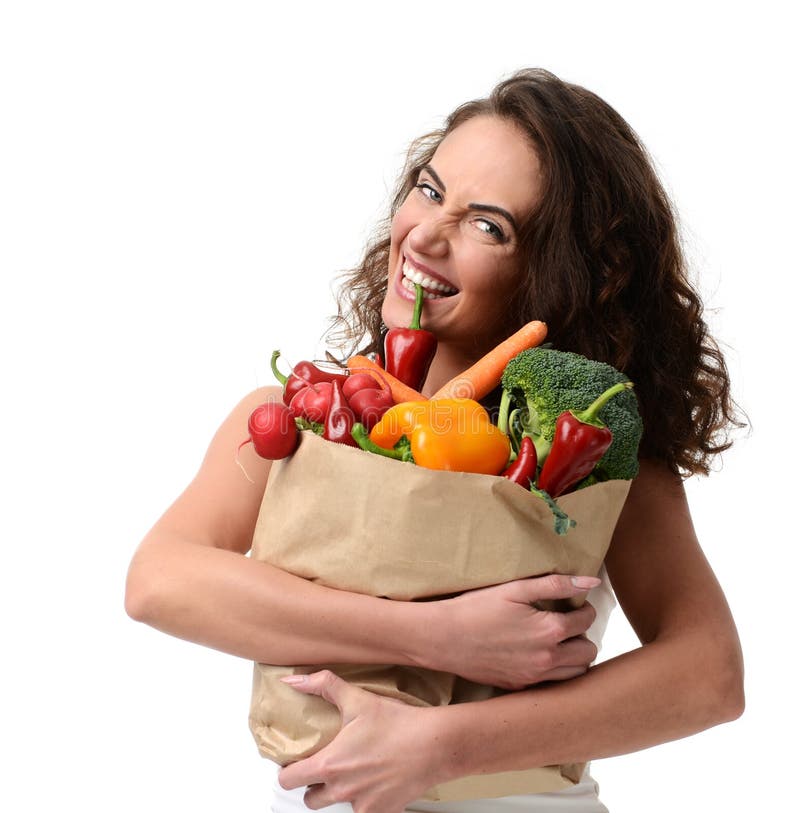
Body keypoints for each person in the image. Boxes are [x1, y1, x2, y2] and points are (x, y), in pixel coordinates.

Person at [125, 68, 745, 813]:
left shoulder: (590, 453)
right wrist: (433, 636)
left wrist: (445, 744)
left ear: (557, 270)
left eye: (489, 226)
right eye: (428, 188)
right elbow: (158, 582)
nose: (425, 234)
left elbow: (710, 676)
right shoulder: (302, 417)